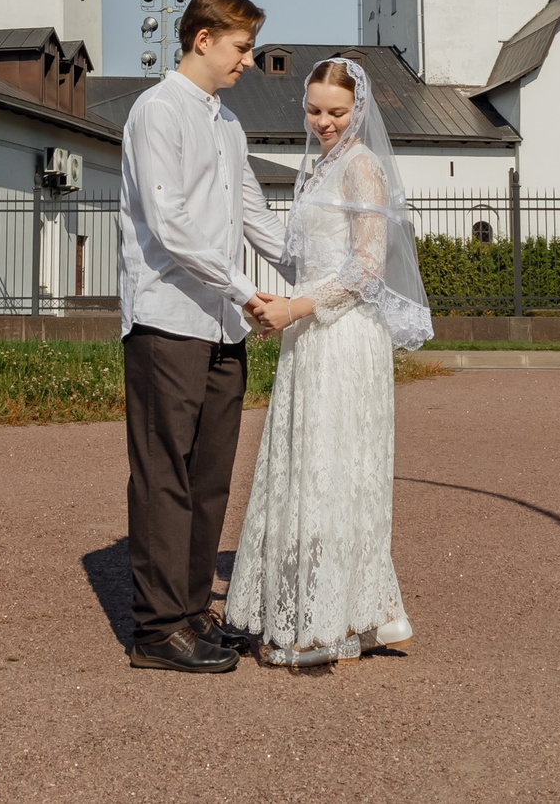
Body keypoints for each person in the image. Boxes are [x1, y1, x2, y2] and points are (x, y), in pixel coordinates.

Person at [226, 56, 432, 667]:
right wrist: (276, 303)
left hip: (343, 336)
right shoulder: (318, 168)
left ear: (359, 109)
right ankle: (369, 611)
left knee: (334, 468)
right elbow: (307, 256)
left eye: (337, 112)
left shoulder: (362, 166)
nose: (324, 122)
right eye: (314, 110)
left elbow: (367, 266)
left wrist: (296, 308)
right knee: (315, 466)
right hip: (310, 332)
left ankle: (323, 628)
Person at [115, 0, 294, 674]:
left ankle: (191, 613)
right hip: (167, 320)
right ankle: (157, 630)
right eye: (242, 47)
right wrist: (248, 292)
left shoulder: (228, 124)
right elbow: (171, 225)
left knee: (210, 476)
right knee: (165, 475)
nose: (249, 60)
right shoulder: (157, 112)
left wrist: (319, 271)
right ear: (203, 39)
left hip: (222, 327)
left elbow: (255, 218)